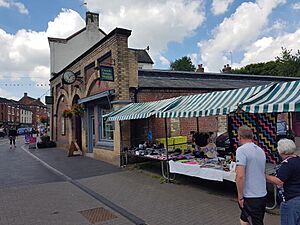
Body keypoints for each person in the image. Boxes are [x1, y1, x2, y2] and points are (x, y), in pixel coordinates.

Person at [235, 125, 267, 225]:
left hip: (251, 195)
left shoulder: (241, 150)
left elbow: (240, 176)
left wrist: (240, 196)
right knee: (244, 220)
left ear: (240, 136)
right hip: (262, 193)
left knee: (254, 222)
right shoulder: (260, 150)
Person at [266, 139, 300, 225]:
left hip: (291, 199)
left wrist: (264, 176)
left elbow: (279, 181)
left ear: (281, 151)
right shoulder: (298, 159)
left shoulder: (287, 164)